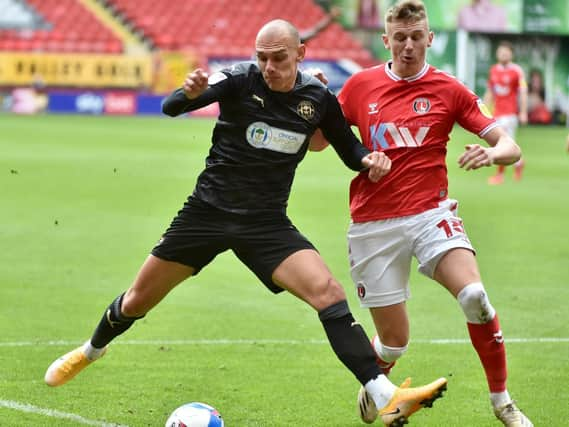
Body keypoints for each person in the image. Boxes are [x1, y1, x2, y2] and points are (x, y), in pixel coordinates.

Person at [44, 19, 447, 426]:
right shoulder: (237, 78)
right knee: (136, 301)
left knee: (327, 292)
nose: (269, 66)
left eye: (278, 58)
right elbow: (171, 107)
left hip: (266, 224)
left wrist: (367, 160)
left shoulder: (318, 98)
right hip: (207, 214)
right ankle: (90, 351)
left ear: (301, 54)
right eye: (262, 58)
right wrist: (188, 94)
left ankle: (385, 396)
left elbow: (348, 147)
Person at [310, 1, 533, 425]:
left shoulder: (449, 89)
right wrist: (319, 102)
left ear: (430, 38)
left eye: (417, 37)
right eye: (400, 38)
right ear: (386, 40)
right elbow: (319, 143)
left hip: (431, 214)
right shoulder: (360, 86)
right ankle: (376, 383)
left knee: (475, 297)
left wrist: (491, 154)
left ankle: (503, 402)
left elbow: (511, 145)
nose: (409, 46)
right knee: (394, 342)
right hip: (373, 226)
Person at [484, 41, 528, 185]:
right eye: (501, 52)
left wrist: (523, 112)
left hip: (510, 114)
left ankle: (499, 175)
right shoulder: (493, 70)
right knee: (505, 143)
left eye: (506, 52)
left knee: (502, 143)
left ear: (511, 54)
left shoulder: (516, 71)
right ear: (497, 54)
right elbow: (490, 91)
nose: (503, 54)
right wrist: (483, 109)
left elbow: (522, 92)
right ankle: (519, 163)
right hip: (497, 113)